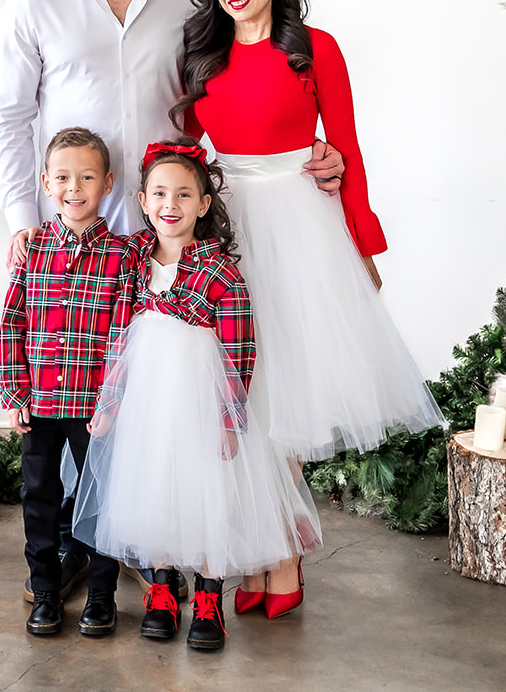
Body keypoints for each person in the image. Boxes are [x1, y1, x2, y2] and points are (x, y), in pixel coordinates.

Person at [0, 0, 346, 602]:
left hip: (169, 230)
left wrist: (301, 154)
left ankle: (159, 545)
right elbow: (10, 118)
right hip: (79, 232)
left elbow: (232, 88)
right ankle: (81, 545)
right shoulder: (37, 2)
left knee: (170, 387)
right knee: (74, 390)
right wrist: (25, 219)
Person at [175, 0, 446, 615]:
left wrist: (362, 245)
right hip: (229, 229)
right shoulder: (202, 54)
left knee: (286, 390)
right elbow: (186, 151)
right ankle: (270, 555)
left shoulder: (314, 49)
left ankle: (281, 561)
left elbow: (346, 147)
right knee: (244, 390)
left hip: (301, 230)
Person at [71, 140, 320, 652]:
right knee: (155, 491)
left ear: (204, 205)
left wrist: (229, 421)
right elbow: (119, 342)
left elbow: (239, 353)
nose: (171, 204)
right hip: (149, 406)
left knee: (209, 494)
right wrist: (109, 407)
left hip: (201, 403)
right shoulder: (134, 263)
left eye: (184, 194)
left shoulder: (221, 272)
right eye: (160, 193)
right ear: (143, 201)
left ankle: (209, 597)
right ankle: (162, 591)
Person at [0, 127, 130, 637]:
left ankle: (101, 596)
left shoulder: (121, 257)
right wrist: (15, 392)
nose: (75, 188)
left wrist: (111, 402)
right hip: (41, 403)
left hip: (95, 410)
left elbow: (123, 338)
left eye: (87, 177)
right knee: (40, 498)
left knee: (102, 500)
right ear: (47, 183)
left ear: (107, 183)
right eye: (64, 178)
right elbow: (11, 325)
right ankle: (46, 593)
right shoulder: (31, 252)